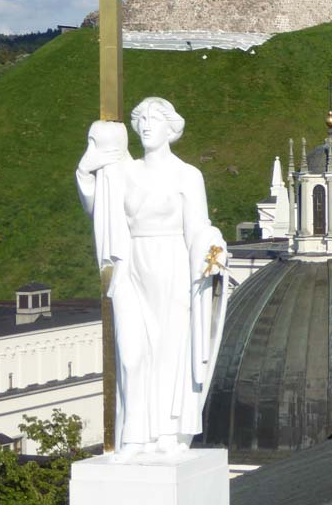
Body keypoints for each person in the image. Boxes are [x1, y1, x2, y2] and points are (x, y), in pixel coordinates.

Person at [76, 97, 228, 459]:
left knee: (168, 352)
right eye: (140, 119)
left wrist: (213, 252)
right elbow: (98, 210)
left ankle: (163, 432)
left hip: (172, 266)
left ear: (171, 128)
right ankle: (134, 436)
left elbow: (199, 230)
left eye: (154, 119)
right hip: (131, 266)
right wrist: (85, 170)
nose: (145, 126)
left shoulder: (187, 175)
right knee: (131, 355)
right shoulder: (122, 173)